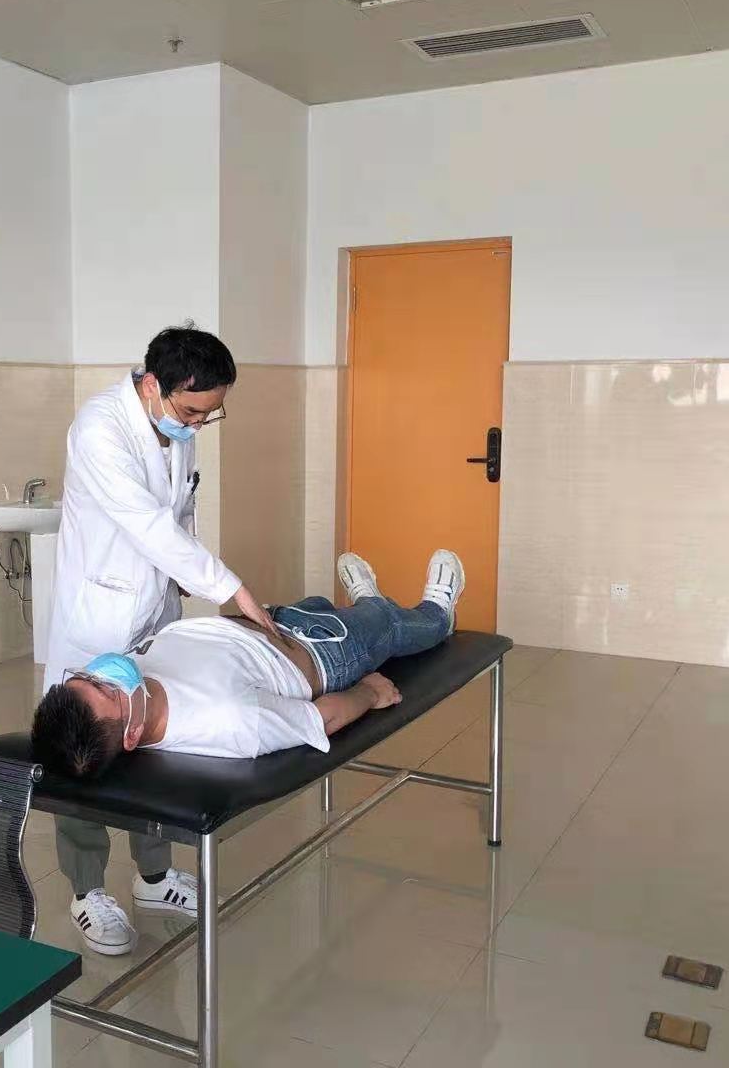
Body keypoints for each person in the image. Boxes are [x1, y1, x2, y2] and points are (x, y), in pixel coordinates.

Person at [45, 324, 280, 956]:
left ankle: (153, 877)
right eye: (194, 411)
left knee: (153, 737)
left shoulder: (175, 428)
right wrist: (230, 588)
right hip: (98, 616)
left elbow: (180, 517)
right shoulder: (100, 428)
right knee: (86, 751)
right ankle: (87, 891)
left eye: (210, 414)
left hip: (155, 612)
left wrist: (190, 583)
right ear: (153, 385)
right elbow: (147, 525)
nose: (199, 424)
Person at [32, 549, 465, 776]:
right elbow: (322, 719)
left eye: (87, 677)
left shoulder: (135, 698)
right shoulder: (231, 721)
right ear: (131, 736)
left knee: (325, 604)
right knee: (388, 622)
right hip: (325, 649)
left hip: (271, 623)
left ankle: (365, 601)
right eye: (107, 689)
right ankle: (438, 614)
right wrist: (369, 693)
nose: (106, 673)